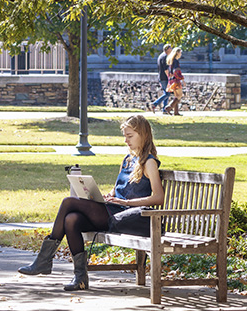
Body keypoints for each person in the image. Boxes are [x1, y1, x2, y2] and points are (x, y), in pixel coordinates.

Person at [18, 115, 165, 291]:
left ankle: (44, 260)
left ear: (143, 135)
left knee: (68, 202)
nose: (126, 140)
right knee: (71, 219)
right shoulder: (127, 160)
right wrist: (107, 196)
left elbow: (158, 197)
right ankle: (80, 278)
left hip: (126, 217)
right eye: (125, 136)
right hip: (114, 209)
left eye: (130, 136)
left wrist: (124, 201)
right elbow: (118, 189)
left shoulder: (148, 162)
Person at [148, 44, 173, 114]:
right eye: (171, 48)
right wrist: (169, 77)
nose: (172, 50)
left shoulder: (161, 56)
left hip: (162, 77)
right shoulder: (165, 57)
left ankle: (165, 109)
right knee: (167, 94)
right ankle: (154, 104)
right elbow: (165, 69)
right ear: (167, 49)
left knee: (166, 93)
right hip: (164, 78)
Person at [165, 47, 184, 115]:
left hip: (172, 80)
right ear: (177, 53)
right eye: (180, 52)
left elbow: (169, 72)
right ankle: (169, 107)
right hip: (176, 80)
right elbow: (176, 71)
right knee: (180, 95)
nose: (181, 54)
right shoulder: (176, 61)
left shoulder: (171, 61)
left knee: (176, 96)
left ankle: (176, 112)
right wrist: (181, 78)